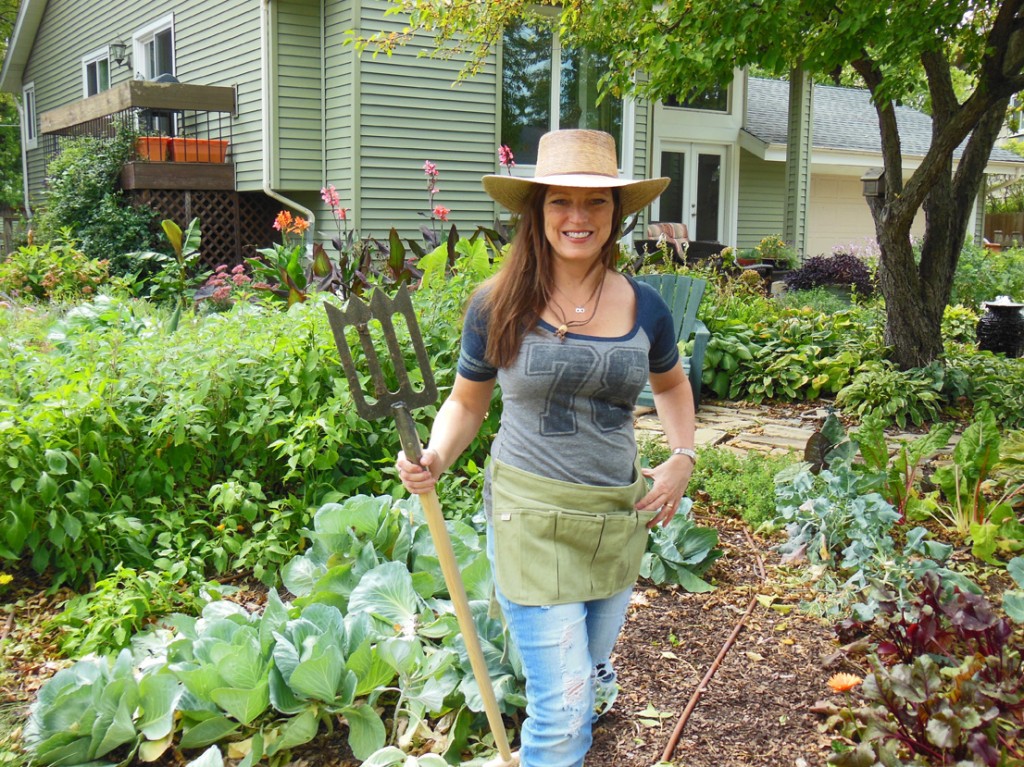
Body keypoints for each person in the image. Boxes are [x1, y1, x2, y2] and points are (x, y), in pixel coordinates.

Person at [396, 129, 697, 767]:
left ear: (616, 215)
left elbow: (671, 384)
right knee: (562, 713)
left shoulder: (647, 307)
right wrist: (436, 457)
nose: (577, 218)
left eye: (595, 204)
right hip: (529, 513)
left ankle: (594, 680)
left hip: (618, 514)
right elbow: (467, 402)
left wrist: (681, 456)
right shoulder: (497, 304)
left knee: (586, 665)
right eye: (561, 201)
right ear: (537, 211)